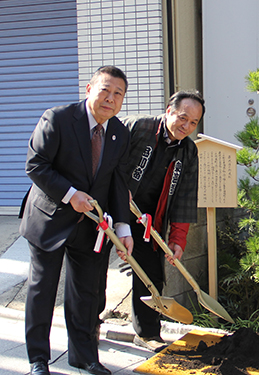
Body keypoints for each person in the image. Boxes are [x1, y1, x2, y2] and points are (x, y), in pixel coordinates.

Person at [19, 66, 134, 375]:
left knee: (87, 293)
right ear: (88, 89)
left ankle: (84, 356)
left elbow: (118, 183)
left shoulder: (119, 133)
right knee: (42, 289)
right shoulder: (57, 118)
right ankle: (38, 359)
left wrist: (123, 228)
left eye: (118, 94)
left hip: (90, 226)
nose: (110, 99)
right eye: (105, 90)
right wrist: (71, 194)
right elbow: (36, 165)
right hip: (49, 218)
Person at [121, 90, 204, 352]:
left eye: (193, 123)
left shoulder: (188, 151)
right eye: (183, 118)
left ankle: (146, 332)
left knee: (151, 274)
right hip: (115, 203)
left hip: (149, 217)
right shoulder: (137, 127)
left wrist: (177, 239)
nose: (186, 126)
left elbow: (185, 198)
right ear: (169, 110)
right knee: (94, 267)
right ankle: (90, 324)